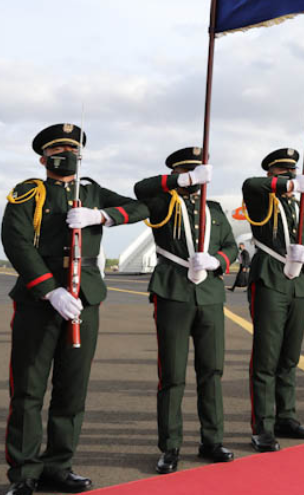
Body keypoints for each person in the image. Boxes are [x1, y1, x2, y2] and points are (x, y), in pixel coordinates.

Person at [2, 124, 147, 495]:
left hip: (84, 297)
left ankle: (59, 465)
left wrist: (101, 216)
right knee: (29, 390)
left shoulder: (92, 191)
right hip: (41, 300)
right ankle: (25, 472)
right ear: (43, 158)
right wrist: (50, 290)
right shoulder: (28, 192)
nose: (68, 153)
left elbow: (141, 206)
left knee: (72, 388)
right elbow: (16, 242)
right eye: (59, 149)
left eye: (73, 148)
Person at [134, 147, 237, 473]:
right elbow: (141, 188)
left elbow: (231, 246)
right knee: (172, 375)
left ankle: (212, 440)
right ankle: (170, 446)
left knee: (212, 372)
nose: (195, 180)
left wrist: (217, 261)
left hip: (209, 295)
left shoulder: (215, 210)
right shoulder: (162, 203)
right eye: (188, 173)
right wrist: (180, 180)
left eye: (198, 172)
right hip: (173, 292)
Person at [242, 148, 304, 451]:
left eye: (292, 171)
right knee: (266, 358)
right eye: (281, 172)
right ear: (271, 174)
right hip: (270, 281)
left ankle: (285, 416)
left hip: (299, 285)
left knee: (289, 357)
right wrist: (286, 186)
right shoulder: (262, 200)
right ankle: (262, 425)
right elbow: (250, 185)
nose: (288, 175)